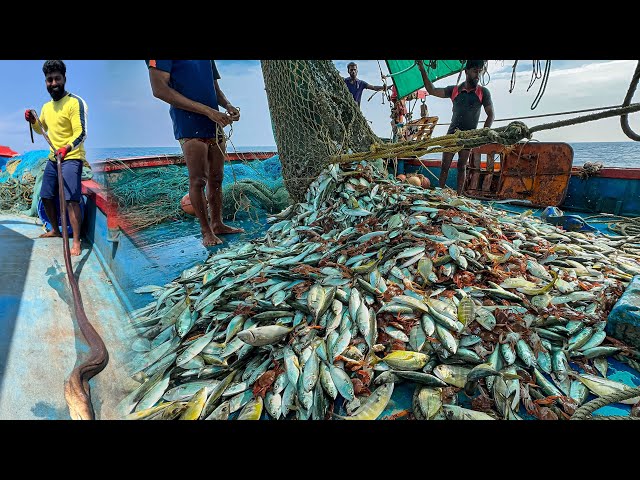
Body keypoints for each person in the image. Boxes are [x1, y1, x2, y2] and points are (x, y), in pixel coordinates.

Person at [146, 60, 243, 247]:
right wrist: (207, 111)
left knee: (217, 177)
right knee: (198, 180)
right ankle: (206, 232)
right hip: (189, 123)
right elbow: (159, 89)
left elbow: (213, 86)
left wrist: (227, 105)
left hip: (213, 122)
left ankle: (217, 223)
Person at [25, 60, 88, 256]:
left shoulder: (74, 102)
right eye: (49, 80)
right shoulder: (46, 107)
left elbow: (81, 133)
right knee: (45, 195)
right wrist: (33, 121)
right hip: (54, 158)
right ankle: (54, 229)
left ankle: (76, 241)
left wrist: (66, 148)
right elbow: (40, 129)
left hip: (71, 157)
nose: (53, 83)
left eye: (57, 79)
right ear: (45, 82)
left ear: (64, 79)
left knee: (71, 200)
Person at [416, 60, 495, 194]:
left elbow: (490, 115)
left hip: (468, 137)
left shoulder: (483, 92)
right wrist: (422, 69)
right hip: (452, 134)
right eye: (475, 71)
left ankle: (459, 196)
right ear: (466, 71)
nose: (478, 74)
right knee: (445, 166)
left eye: (480, 71)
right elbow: (432, 90)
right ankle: (439, 193)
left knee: (462, 166)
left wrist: (482, 133)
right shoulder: (455, 90)